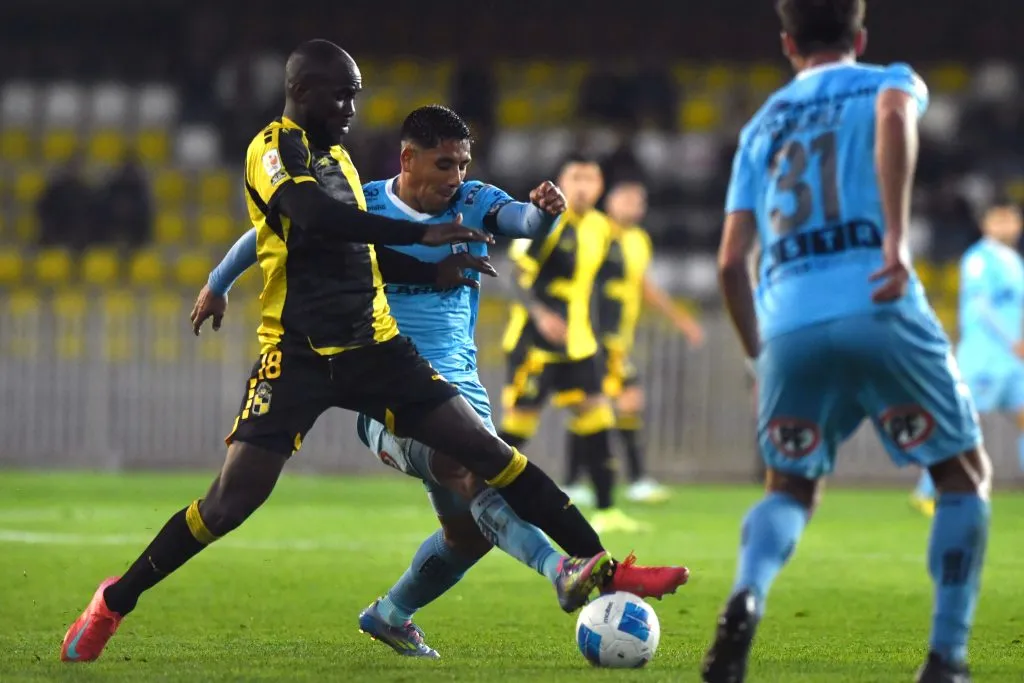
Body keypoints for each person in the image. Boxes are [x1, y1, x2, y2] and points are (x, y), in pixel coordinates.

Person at [60, 40, 684, 664]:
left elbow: (364, 251)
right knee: (231, 503)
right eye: (342, 95)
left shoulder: (347, 163)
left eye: (355, 96)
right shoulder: (274, 150)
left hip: (374, 349)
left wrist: (446, 261)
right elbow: (306, 219)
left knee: (483, 463)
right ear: (302, 91)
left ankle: (586, 566)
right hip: (298, 354)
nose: (352, 109)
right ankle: (114, 600)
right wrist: (220, 282)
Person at [193, 104, 690, 658]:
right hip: (387, 390)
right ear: (408, 159)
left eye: (463, 164)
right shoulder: (363, 205)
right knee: (468, 469)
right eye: (445, 164)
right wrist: (218, 284)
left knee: (469, 536)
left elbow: (523, 222)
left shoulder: (475, 201)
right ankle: (561, 569)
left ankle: (390, 614)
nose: (457, 176)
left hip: (458, 389)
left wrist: (545, 212)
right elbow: (272, 232)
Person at [701, 3, 990, 683]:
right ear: (860, 37)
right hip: (878, 298)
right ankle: (946, 658)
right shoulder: (888, 80)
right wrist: (895, 237)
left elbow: (729, 262)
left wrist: (759, 357)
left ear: (787, 43)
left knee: (790, 486)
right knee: (962, 474)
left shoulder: (761, 125)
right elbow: (893, 114)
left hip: (788, 320)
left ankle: (747, 593)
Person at [498, 155, 643, 534]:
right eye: (575, 178)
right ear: (562, 182)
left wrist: (607, 336)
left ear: (600, 186)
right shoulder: (545, 221)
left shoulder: (600, 228)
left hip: (579, 345)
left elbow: (599, 288)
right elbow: (515, 275)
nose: (583, 186)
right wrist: (541, 315)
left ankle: (607, 510)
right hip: (535, 344)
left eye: (590, 178)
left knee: (598, 419)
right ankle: (472, 495)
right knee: (519, 426)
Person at [564, 178, 705, 506]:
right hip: (596, 334)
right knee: (606, 404)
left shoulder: (639, 240)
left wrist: (680, 319)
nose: (633, 206)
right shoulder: (597, 232)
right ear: (609, 202)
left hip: (619, 338)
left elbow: (643, 285)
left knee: (605, 406)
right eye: (625, 198)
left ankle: (580, 481)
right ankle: (626, 480)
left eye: (638, 201)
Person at [913, 202, 1024, 516]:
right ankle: (927, 489)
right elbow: (983, 307)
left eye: (1011, 219)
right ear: (986, 224)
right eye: (999, 219)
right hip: (984, 358)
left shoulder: (1015, 261)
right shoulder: (978, 259)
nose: (1007, 225)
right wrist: (1013, 340)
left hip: (1013, 359)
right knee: (962, 424)